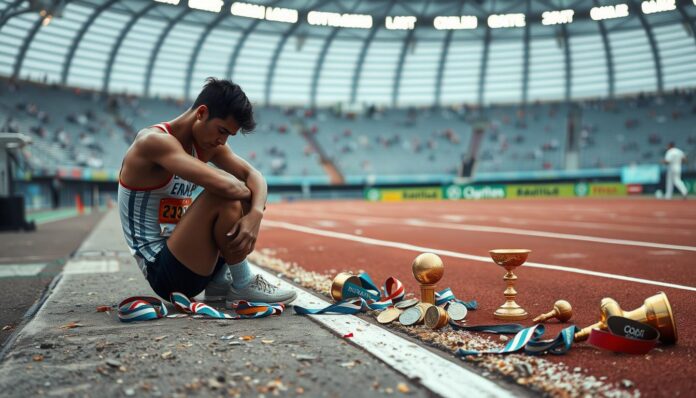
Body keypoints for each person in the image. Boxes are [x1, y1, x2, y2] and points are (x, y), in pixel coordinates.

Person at [117, 78, 296, 306]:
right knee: (224, 196)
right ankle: (243, 282)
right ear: (201, 113)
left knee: (242, 195)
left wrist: (256, 215)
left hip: (189, 257)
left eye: (229, 135)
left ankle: (219, 282)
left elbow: (255, 175)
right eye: (221, 131)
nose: (222, 141)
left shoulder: (208, 143)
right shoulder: (153, 142)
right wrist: (250, 200)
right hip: (162, 269)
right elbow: (227, 187)